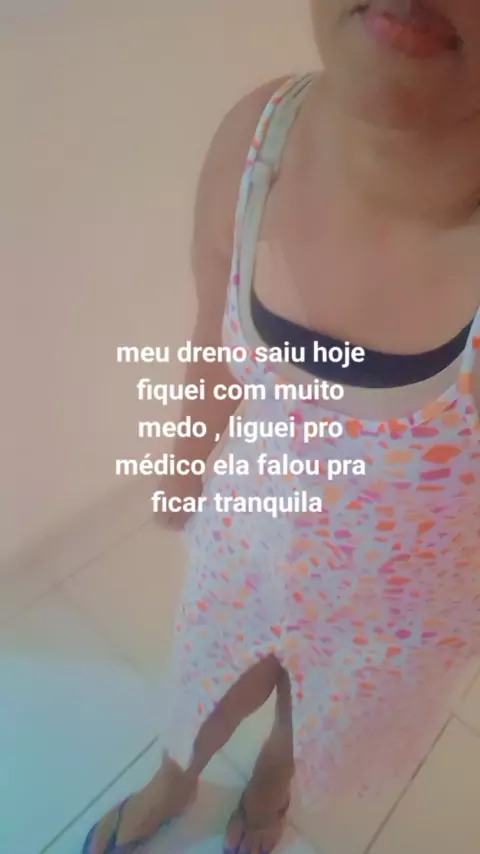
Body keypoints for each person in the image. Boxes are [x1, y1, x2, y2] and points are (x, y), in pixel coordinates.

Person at [83, 0, 480, 851]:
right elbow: (213, 333)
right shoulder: (257, 140)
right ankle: (173, 778)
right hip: (253, 527)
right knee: (211, 674)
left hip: (407, 588)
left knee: (322, 704)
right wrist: (184, 467)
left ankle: (274, 780)